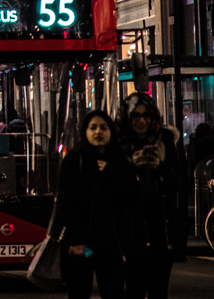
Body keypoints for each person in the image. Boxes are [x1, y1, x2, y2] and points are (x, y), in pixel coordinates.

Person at [50, 110, 136, 299]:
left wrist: (111, 173)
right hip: (83, 246)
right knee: (80, 291)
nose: (98, 132)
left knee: (113, 290)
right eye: (93, 127)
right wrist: (75, 240)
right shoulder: (75, 160)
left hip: (112, 245)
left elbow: (131, 197)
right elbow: (67, 202)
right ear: (85, 131)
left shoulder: (119, 161)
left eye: (104, 127)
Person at [118, 93, 186, 299]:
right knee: (134, 289)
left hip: (161, 229)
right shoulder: (119, 143)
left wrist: (160, 167)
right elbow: (112, 188)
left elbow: (180, 182)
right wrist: (131, 166)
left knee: (159, 291)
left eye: (146, 116)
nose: (141, 121)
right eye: (136, 116)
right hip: (131, 228)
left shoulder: (164, 140)